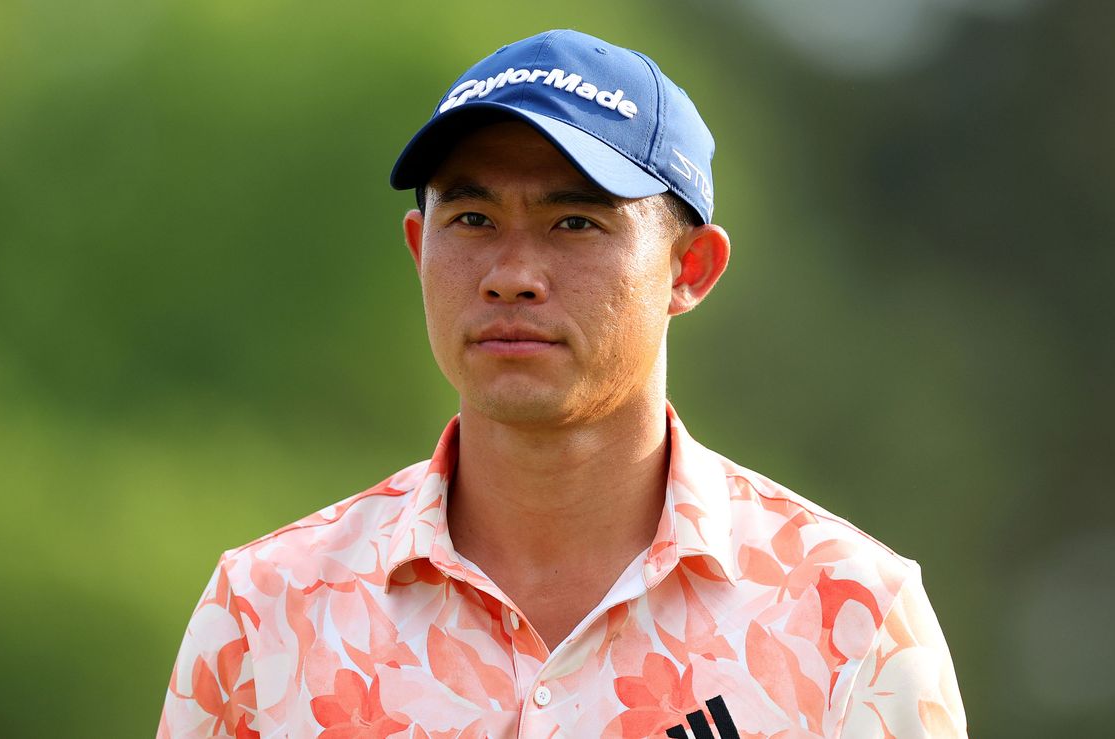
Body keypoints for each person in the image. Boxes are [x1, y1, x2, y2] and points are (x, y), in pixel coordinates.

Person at [157, 29, 966, 738]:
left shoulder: (849, 617)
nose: (510, 275)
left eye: (575, 222)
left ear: (691, 268)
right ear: (418, 249)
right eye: (471, 220)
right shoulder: (266, 611)